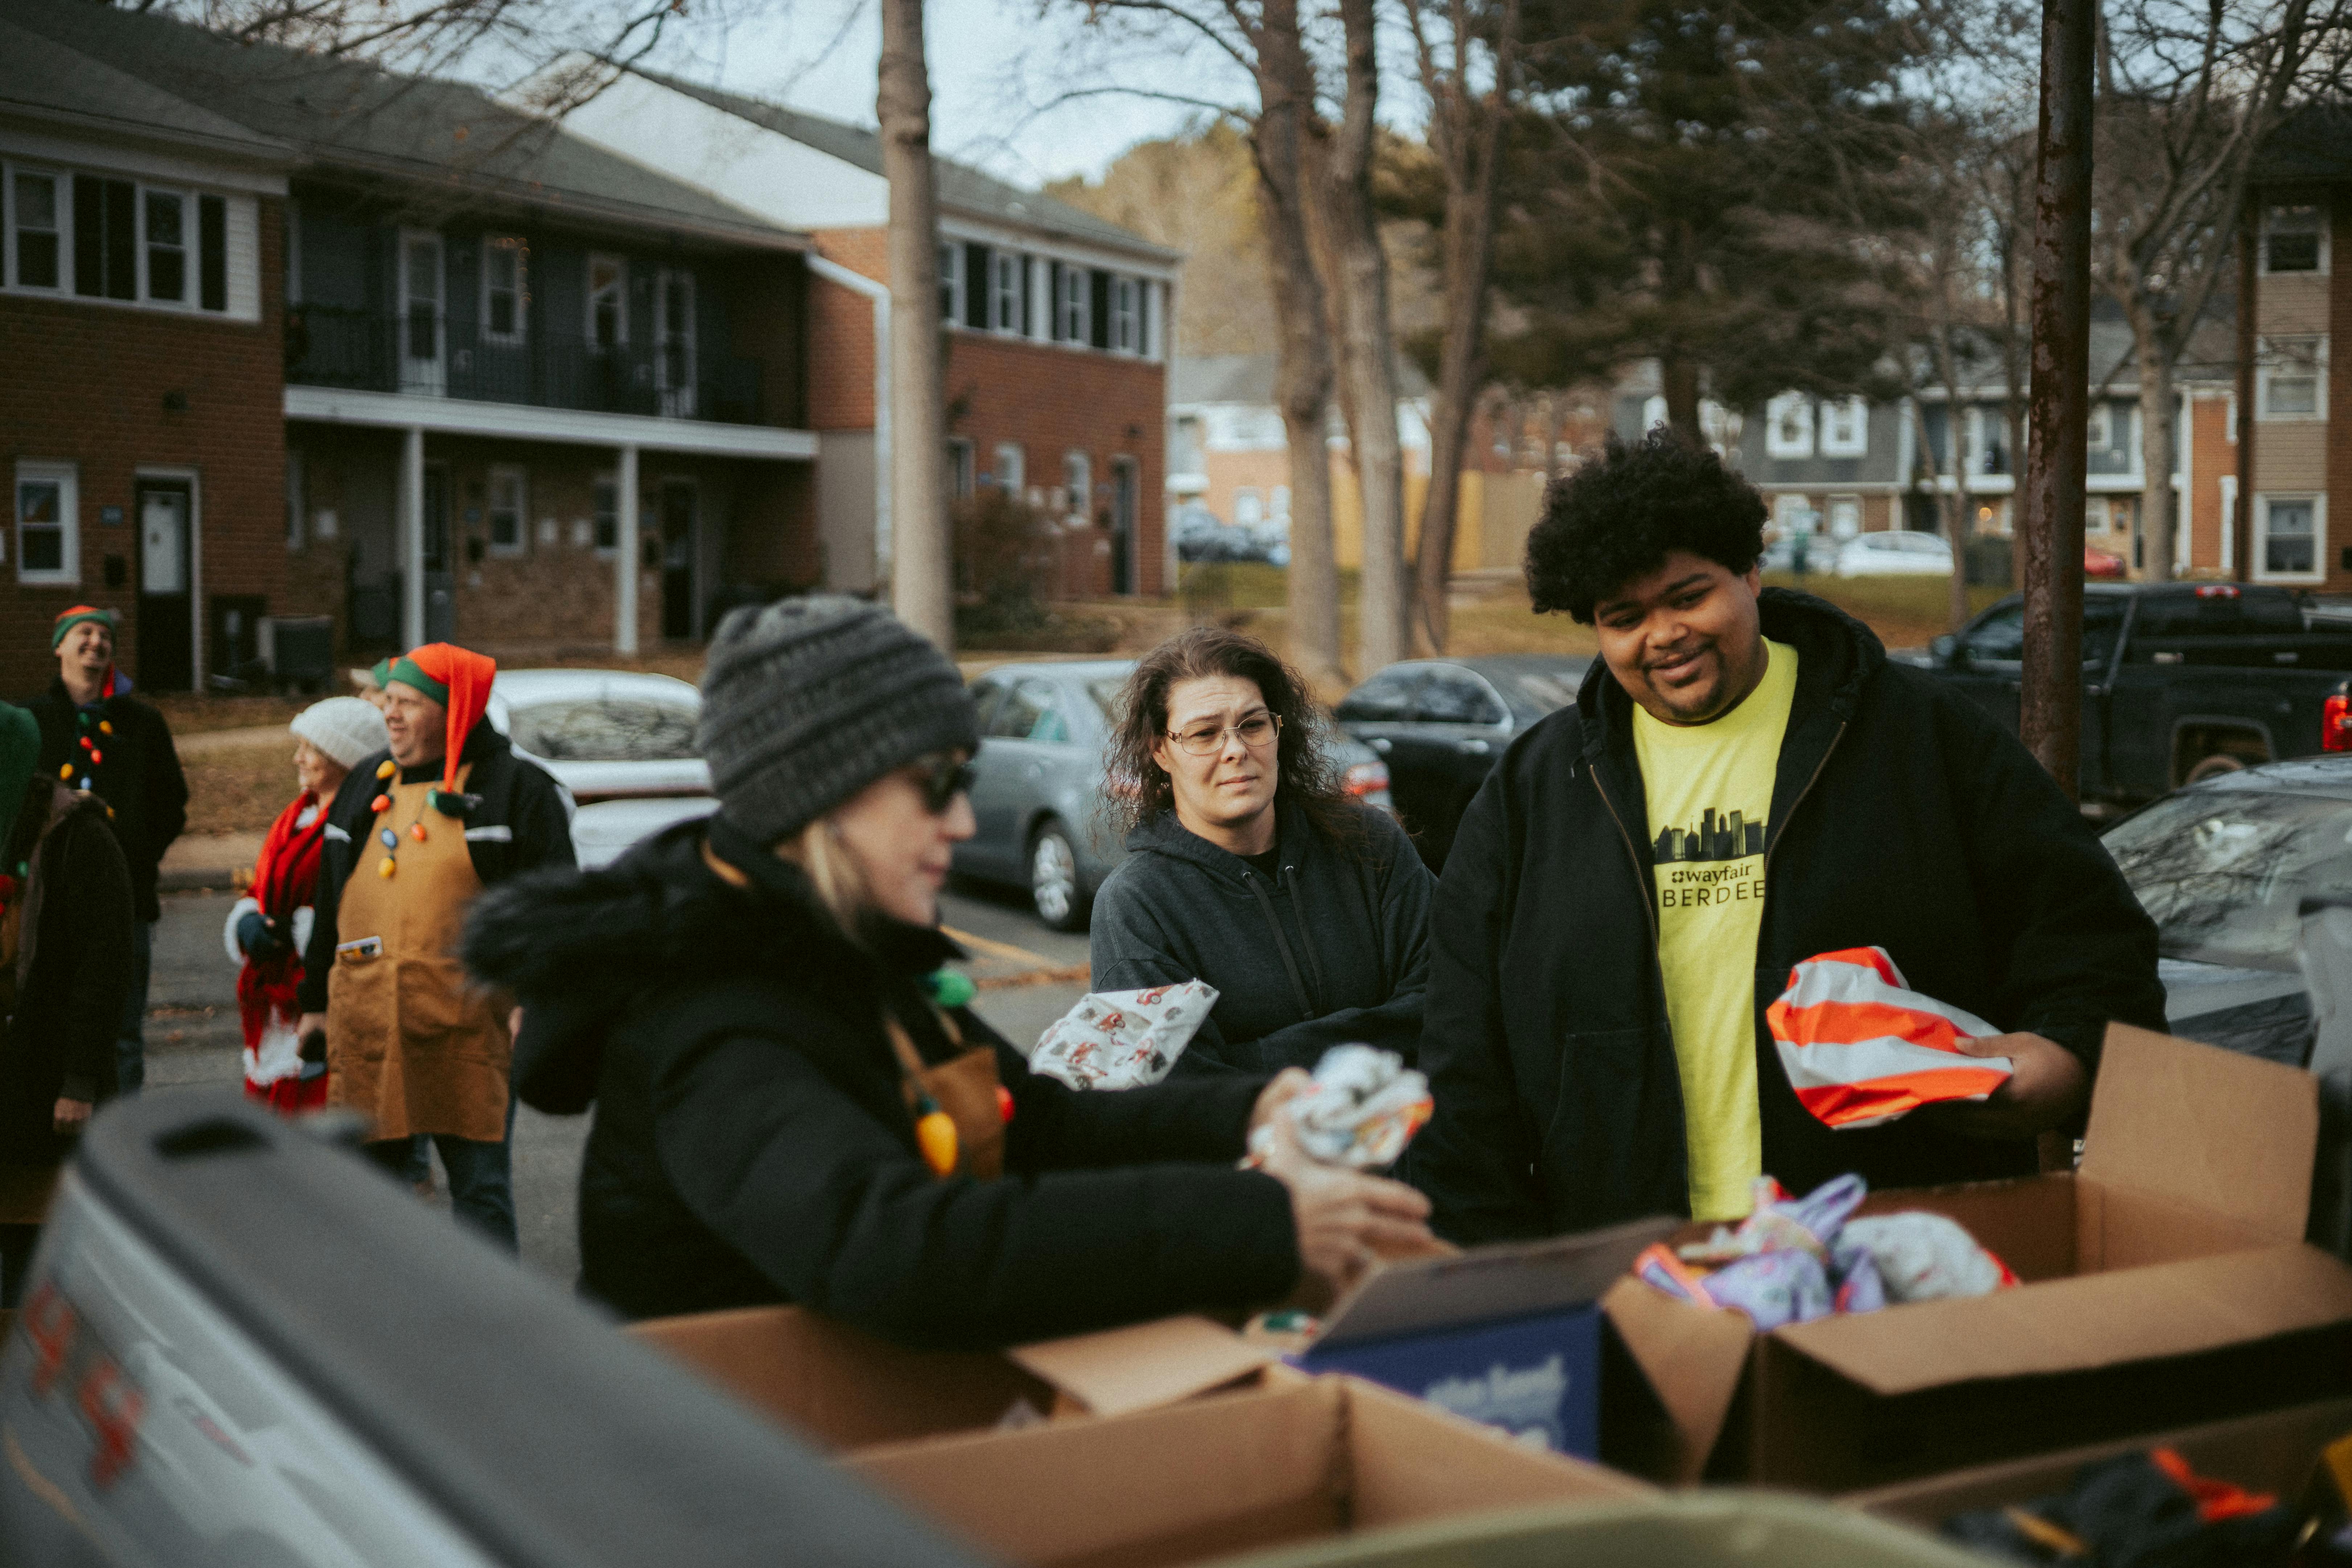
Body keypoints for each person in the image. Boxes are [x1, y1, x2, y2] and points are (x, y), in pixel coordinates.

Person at [462, 597, 1434, 1342]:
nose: (962, 822)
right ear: (821, 797)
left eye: (962, 783)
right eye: (932, 787)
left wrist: (1252, 1108)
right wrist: (1259, 1222)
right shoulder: (712, 1011)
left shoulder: (847, 947)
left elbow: (1030, 1120)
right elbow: (898, 1248)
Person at [1411, 432, 2168, 1243]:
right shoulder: (1530, 794)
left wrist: (2065, 1058)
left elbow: (2088, 940)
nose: (1661, 634)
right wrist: (1492, 1261)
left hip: (1887, 1252)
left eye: (1686, 596)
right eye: (1623, 618)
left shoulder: (1919, 735)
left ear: (1748, 572)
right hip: (1631, 1263)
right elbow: (1464, 1059)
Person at [295, 644, 573, 1248]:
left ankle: (487, 1306)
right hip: (370, 1019)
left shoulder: (516, 788)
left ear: (455, 711)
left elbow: (553, 908)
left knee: (479, 1189)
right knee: (376, 1194)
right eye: (388, 701)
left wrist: (538, 996)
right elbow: (329, 899)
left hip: (470, 1024)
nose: (389, 715)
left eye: (408, 703)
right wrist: (314, 998)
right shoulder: (366, 782)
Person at [1089, 628, 1434, 1075]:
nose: (1235, 750)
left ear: (1278, 729)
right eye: (1203, 734)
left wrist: (1253, 1059)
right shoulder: (1136, 905)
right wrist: (1376, 1040)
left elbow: (1449, 999)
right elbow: (1178, 1084)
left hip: (1410, 1119)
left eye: (1253, 725)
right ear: (1160, 752)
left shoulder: (1370, 843)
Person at [0, 703, 133, 1306]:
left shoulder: (81, 839)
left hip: (48, 1078)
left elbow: (102, 968)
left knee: (43, 1246)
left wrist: (79, 1080)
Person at [29, 606, 188, 1099]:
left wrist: (134, 860)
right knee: (43, 1023)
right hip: (45, 901)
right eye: (85, 632)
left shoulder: (142, 723)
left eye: (106, 635)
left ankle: (123, 1133)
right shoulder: (34, 721)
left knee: (122, 1031)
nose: (97, 641)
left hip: (125, 902)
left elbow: (171, 804)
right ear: (59, 645)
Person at [225, 697, 387, 1114]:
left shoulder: (362, 822)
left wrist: (301, 931)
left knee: (312, 1119)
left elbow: (364, 908)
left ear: (342, 758)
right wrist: (248, 921)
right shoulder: (296, 815)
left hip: (320, 993)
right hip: (275, 995)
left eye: (310, 749)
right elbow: (263, 886)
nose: (297, 758)